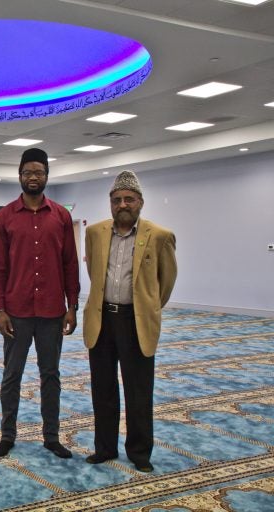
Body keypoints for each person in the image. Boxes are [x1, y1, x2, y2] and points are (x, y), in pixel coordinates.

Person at [0, 147, 80, 458]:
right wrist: (0, 309)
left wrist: (72, 305)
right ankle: (7, 435)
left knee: (50, 375)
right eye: (27, 172)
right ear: (19, 176)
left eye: (38, 172)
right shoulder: (4, 217)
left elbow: (70, 265)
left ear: (47, 177)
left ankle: (51, 437)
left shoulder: (62, 216)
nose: (33, 177)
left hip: (53, 312)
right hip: (17, 312)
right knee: (11, 375)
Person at [82, 170, 177, 473]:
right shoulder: (95, 232)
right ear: (110, 203)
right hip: (102, 320)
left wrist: (146, 308)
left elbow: (166, 282)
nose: (122, 204)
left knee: (138, 389)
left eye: (128, 199)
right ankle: (105, 447)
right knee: (103, 388)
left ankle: (139, 452)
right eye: (116, 199)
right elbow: (94, 275)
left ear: (140, 202)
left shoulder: (159, 236)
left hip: (136, 321)